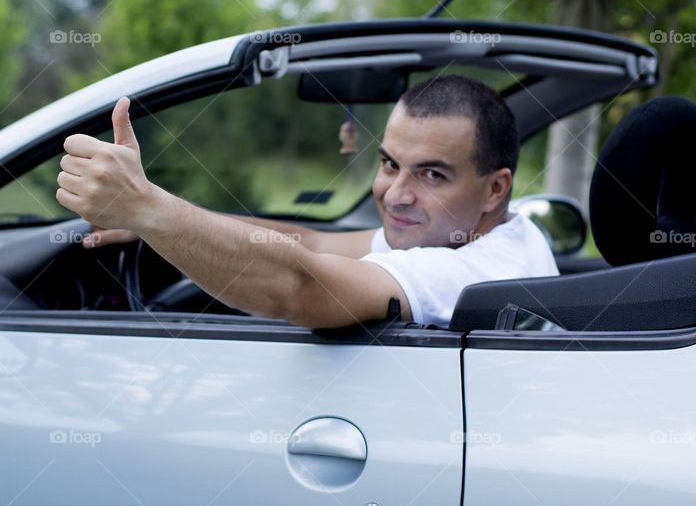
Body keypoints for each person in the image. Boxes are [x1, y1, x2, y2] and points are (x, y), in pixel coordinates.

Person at [55, 75, 559, 328]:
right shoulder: (493, 231)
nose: (397, 194)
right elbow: (315, 241)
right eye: (388, 164)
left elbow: (299, 287)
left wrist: (147, 208)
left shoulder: (476, 273)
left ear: (496, 188)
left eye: (432, 174)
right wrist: (153, 226)